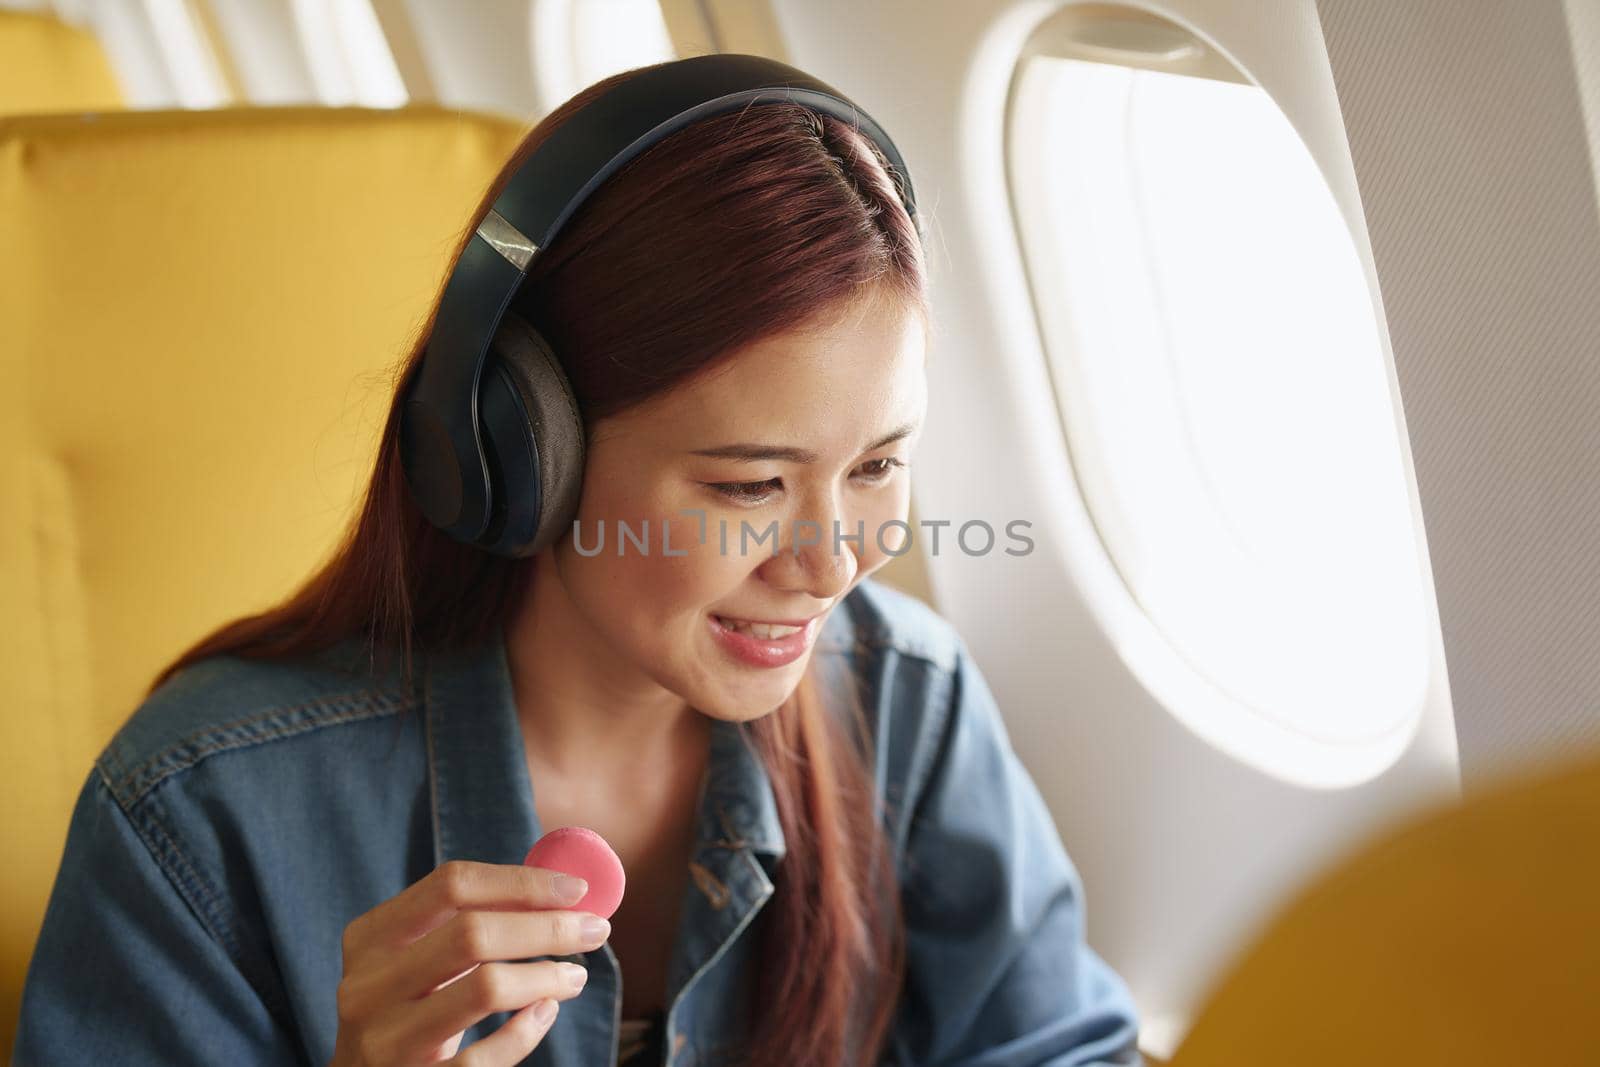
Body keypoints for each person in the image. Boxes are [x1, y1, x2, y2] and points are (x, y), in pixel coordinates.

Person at [13, 58, 1142, 1067]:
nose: (833, 561)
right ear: (514, 454)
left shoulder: (908, 702)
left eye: (878, 464)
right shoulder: (200, 809)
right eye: (749, 485)